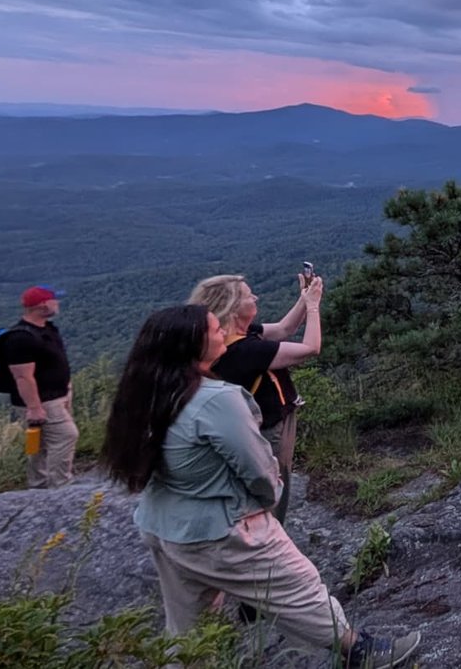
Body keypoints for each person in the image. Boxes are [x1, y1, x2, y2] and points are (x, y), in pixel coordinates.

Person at [101, 305, 420, 668]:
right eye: (214, 329)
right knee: (299, 586)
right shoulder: (217, 400)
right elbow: (257, 468)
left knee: (187, 629)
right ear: (193, 345)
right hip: (221, 530)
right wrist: (271, 498)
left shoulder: (149, 393)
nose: (223, 332)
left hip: (162, 527)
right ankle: (360, 651)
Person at [188, 272, 322, 523]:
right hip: (269, 429)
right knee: (274, 485)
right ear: (233, 308)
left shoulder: (233, 337)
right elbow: (311, 348)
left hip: (264, 423)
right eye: (249, 296)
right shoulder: (242, 351)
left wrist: (304, 299)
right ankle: (271, 534)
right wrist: (313, 306)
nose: (256, 298)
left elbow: (284, 329)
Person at [0, 285, 78, 488]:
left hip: (57, 395)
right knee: (66, 435)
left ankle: (38, 484)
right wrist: (34, 407)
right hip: (43, 400)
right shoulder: (20, 338)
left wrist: (66, 386)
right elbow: (22, 377)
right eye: (53, 300)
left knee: (39, 443)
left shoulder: (47, 329)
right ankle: (61, 485)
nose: (57, 303)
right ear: (42, 305)